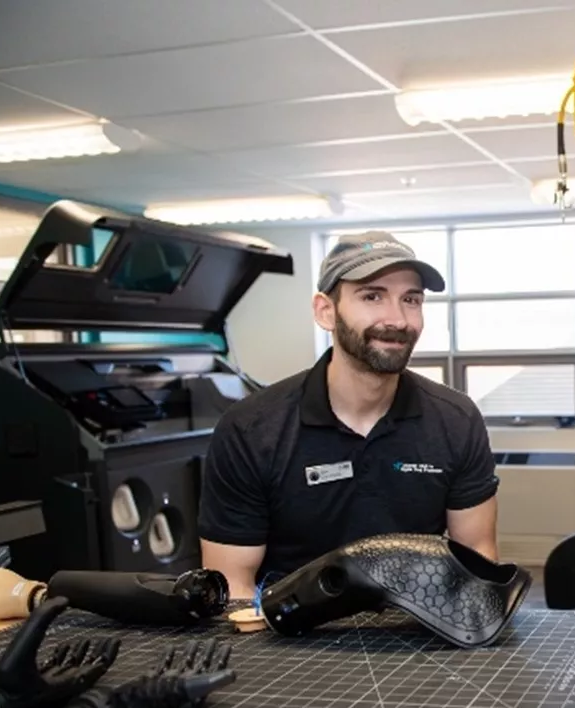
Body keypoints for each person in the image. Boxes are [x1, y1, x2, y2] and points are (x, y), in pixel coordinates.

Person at [195, 230, 500, 603]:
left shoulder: (456, 420)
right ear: (326, 311)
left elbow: (478, 558)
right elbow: (232, 584)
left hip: (419, 630)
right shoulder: (250, 430)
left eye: (411, 299)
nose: (398, 319)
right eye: (372, 296)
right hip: (291, 640)